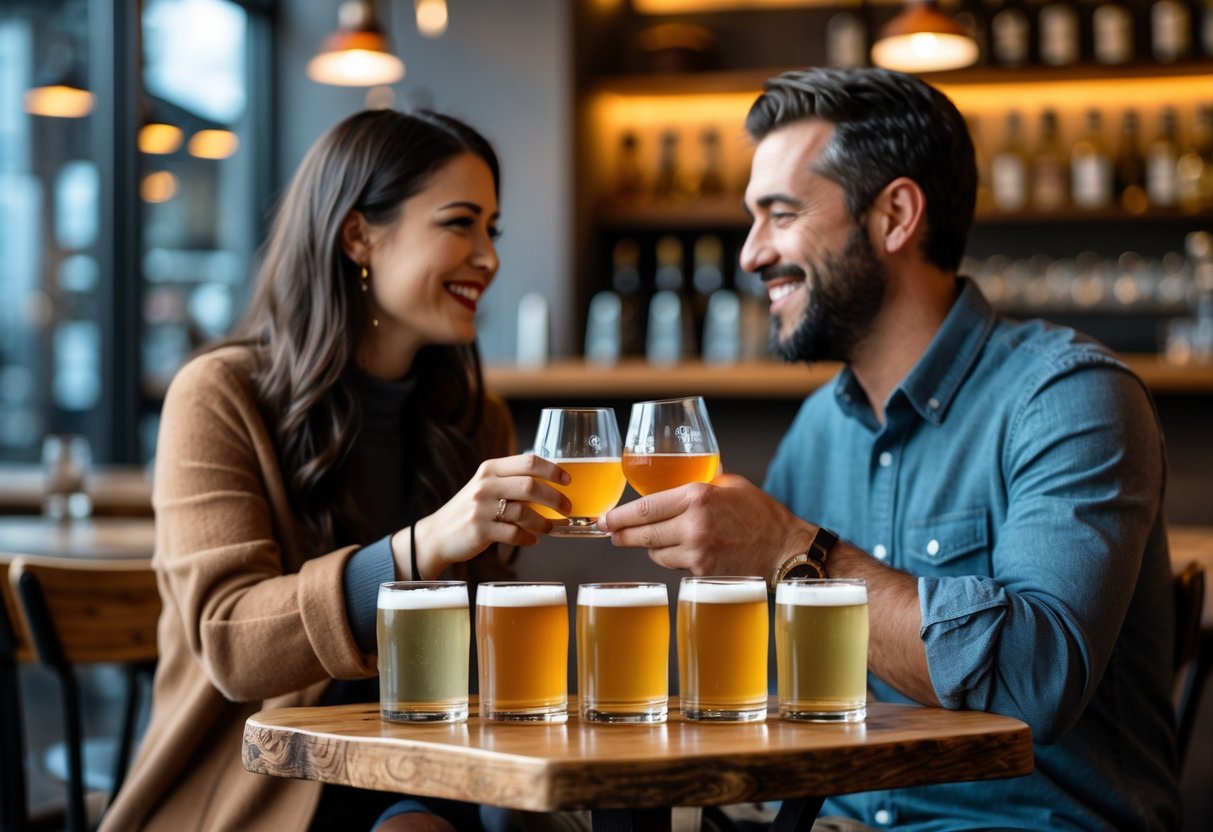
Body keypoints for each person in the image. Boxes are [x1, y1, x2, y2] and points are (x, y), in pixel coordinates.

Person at [600, 68, 1180, 831]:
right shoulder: (817, 429)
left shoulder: (1070, 399)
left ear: (895, 216)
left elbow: (1037, 682)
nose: (748, 254)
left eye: (779, 214)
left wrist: (790, 550)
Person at [100, 109, 571, 832]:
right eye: (459, 223)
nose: (488, 256)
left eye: (492, 230)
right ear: (358, 236)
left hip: (433, 774)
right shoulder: (220, 395)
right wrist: (417, 549)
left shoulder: (476, 421)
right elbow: (230, 640)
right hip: (258, 792)